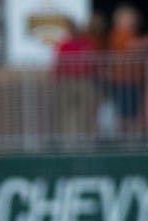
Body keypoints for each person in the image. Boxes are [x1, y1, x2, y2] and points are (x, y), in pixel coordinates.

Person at [53, 17, 99, 146]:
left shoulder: (86, 42)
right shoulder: (65, 44)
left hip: (84, 80)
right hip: (68, 81)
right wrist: (57, 78)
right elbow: (59, 63)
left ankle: (85, 139)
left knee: (86, 110)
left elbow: (93, 60)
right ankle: (71, 140)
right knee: (69, 112)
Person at [107, 4, 148, 138]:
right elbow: (135, 46)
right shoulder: (118, 34)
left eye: (132, 19)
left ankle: (132, 138)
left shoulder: (132, 34)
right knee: (124, 113)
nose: (131, 21)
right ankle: (124, 138)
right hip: (122, 80)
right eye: (128, 18)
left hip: (135, 80)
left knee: (134, 112)